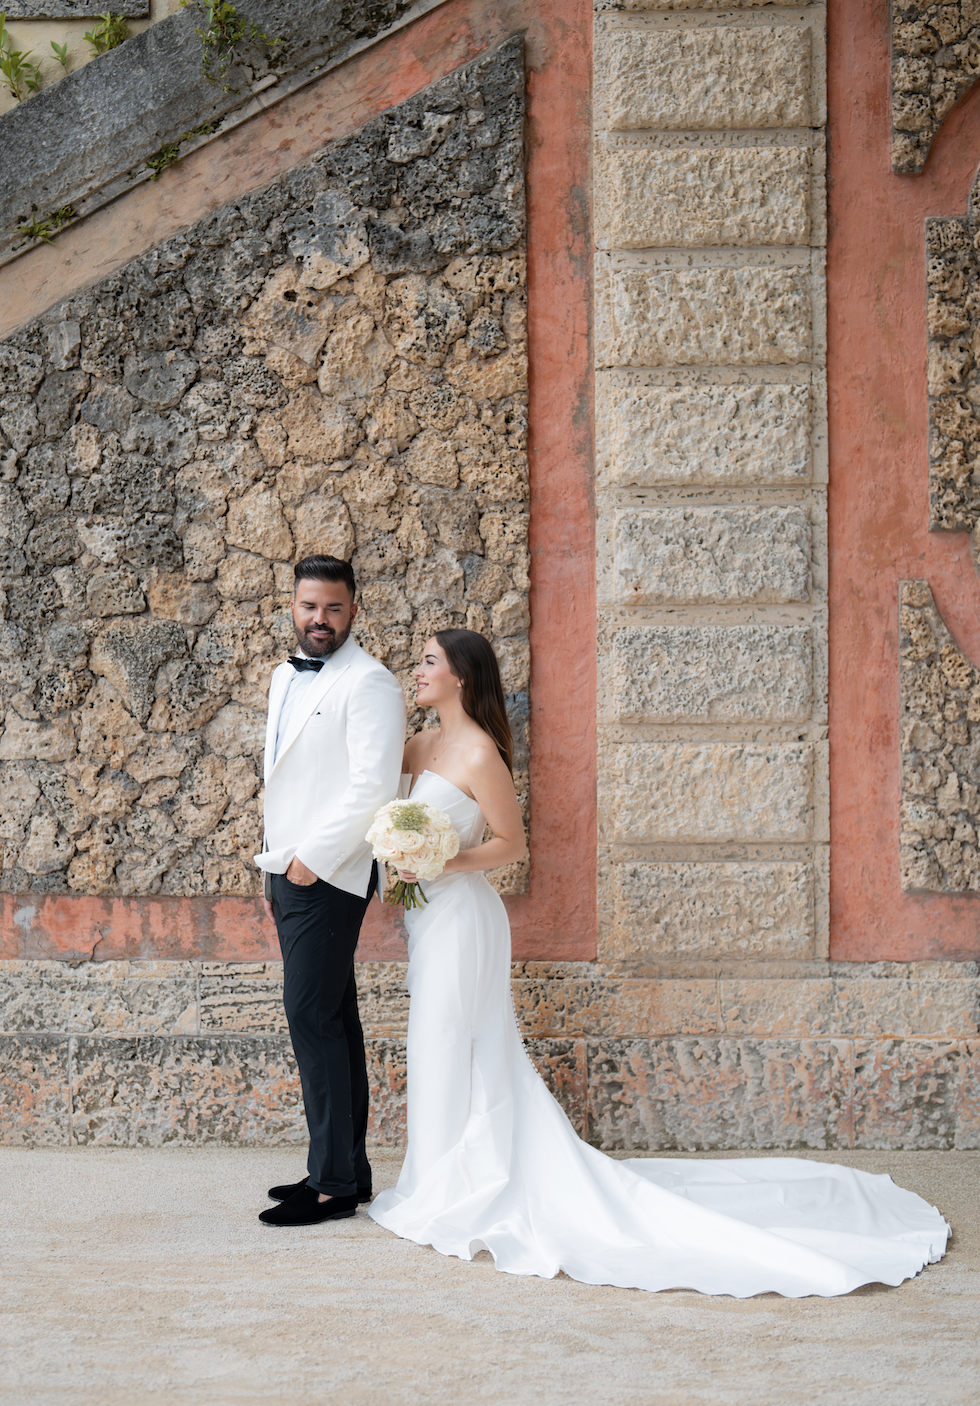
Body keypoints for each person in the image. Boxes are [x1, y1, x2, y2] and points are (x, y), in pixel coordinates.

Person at [368, 628, 951, 1296]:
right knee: (434, 1046)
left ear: (463, 676)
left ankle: (450, 1189)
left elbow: (511, 845)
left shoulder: (478, 754)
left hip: (465, 918)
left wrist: (443, 860)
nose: (418, 671)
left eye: (429, 662)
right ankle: (435, 1177)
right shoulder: (418, 746)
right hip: (425, 918)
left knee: (451, 1040)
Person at [255, 554, 406, 1228]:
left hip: (327, 874)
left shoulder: (370, 682)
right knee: (334, 1021)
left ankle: (334, 1184)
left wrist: (309, 863)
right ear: (294, 605)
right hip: (286, 869)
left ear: (354, 609)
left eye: (334, 608)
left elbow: (372, 788)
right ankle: (344, 1171)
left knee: (311, 1020)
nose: (320, 619)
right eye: (310, 606)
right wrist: (278, 866)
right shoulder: (284, 677)